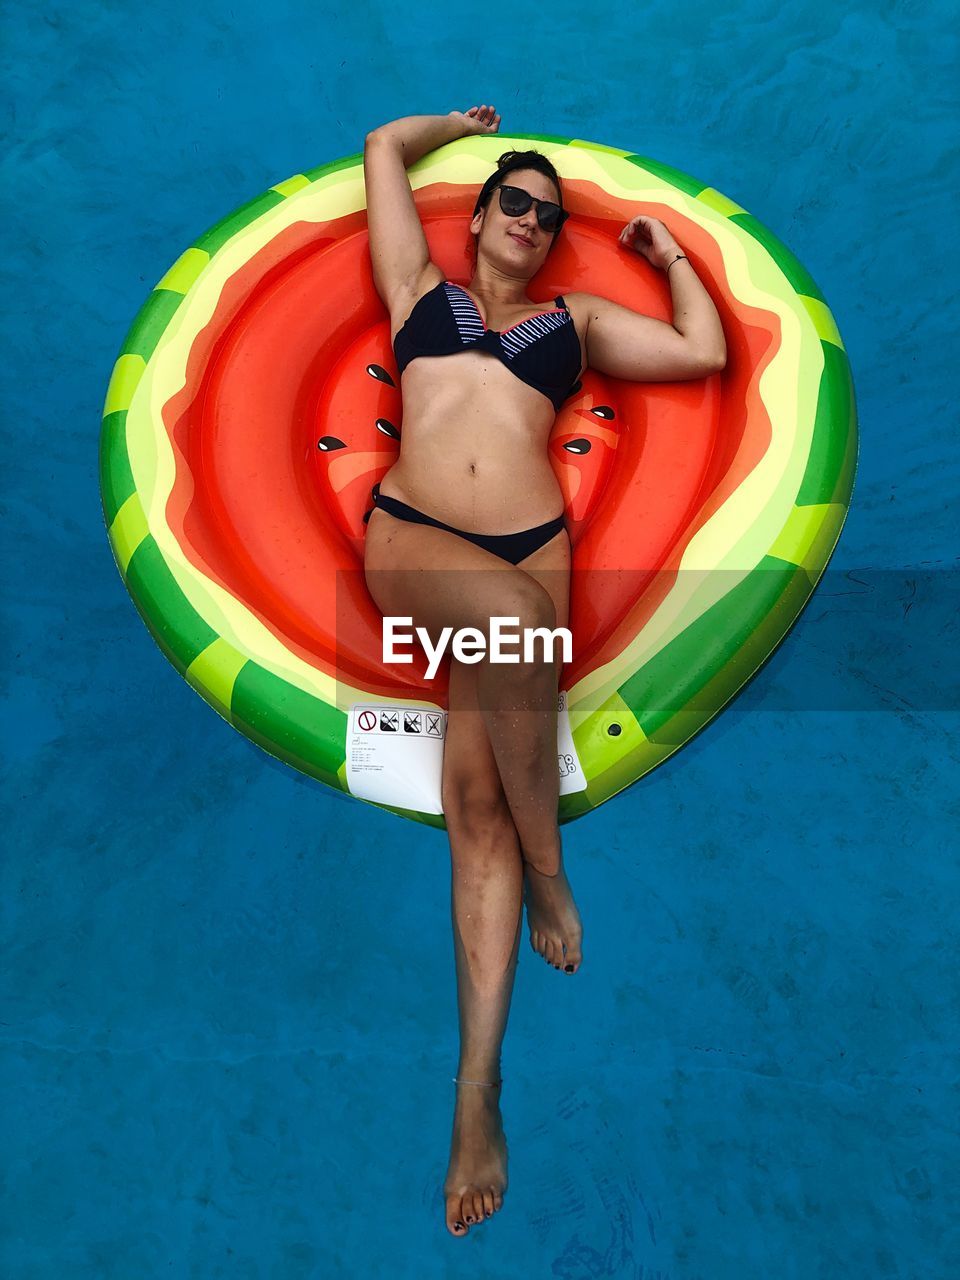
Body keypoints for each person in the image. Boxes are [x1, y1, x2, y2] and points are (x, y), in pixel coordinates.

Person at [362, 104, 726, 1238]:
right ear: (479, 216)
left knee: (478, 811)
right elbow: (382, 148)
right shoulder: (418, 287)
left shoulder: (576, 321)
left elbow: (703, 352)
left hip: (533, 545)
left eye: (547, 212)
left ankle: (478, 1094)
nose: (530, 218)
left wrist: (668, 258)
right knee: (516, 620)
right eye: (513, 200)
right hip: (420, 536)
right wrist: (455, 123)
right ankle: (555, 874)